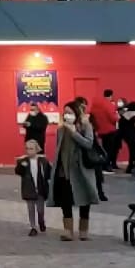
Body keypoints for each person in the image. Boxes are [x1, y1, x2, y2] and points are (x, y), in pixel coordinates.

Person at [48, 100, 98, 241]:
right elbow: (60, 148)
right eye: (65, 113)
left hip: (81, 170)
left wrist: (74, 132)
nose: (67, 115)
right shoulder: (61, 129)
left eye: (70, 113)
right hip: (64, 169)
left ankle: (83, 231)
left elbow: (88, 144)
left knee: (84, 199)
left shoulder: (85, 126)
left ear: (76, 113)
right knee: (65, 200)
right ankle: (68, 231)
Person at [15, 139, 51, 236]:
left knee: (40, 210)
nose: (29, 151)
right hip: (28, 189)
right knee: (30, 209)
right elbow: (18, 172)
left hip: (40, 189)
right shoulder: (23, 161)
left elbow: (49, 173)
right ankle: (33, 227)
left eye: (31, 149)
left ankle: (41, 221)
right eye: (27, 149)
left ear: (36, 150)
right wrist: (20, 165)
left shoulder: (43, 161)